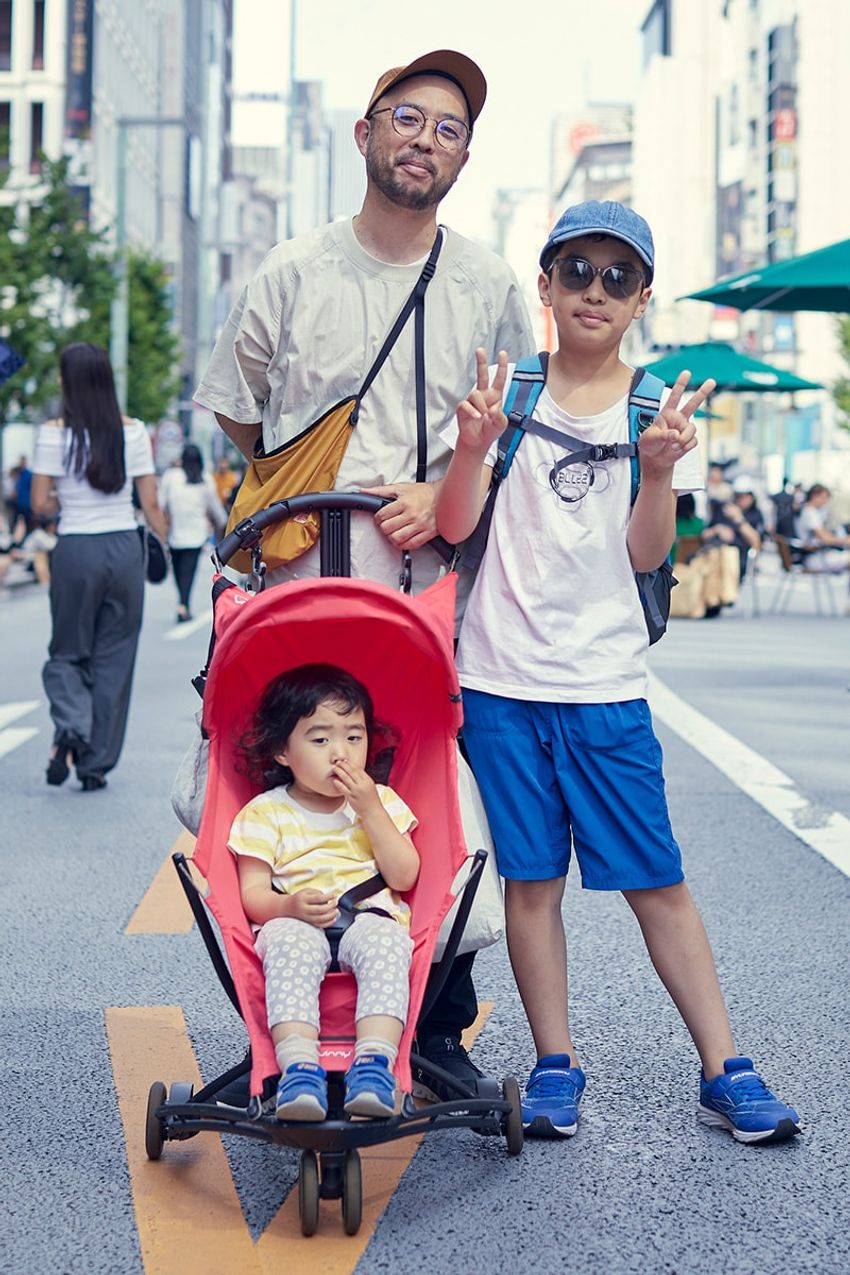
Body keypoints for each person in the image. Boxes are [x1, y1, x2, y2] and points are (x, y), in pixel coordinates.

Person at [194, 48, 534, 1095]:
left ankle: (429, 1017)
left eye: (446, 128)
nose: (423, 139)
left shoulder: (485, 283)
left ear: (464, 155)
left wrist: (440, 493)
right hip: (297, 585)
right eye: (405, 118)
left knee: (438, 785)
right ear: (366, 134)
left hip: (427, 586)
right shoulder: (291, 271)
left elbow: (511, 422)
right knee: (265, 772)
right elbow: (238, 415)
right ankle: (288, 996)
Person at [436, 200, 800, 1145]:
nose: (595, 291)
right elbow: (453, 526)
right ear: (546, 285)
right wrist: (472, 446)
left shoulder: (658, 410)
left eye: (618, 277)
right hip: (501, 684)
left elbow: (645, 558)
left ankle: (726, 1068)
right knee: (529, 882)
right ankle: (556, 1064)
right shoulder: (505, 392)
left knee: (657, 881)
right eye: (578, 272)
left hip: (605, 689)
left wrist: (658, 472)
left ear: (641, 298)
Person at [229, 664, 419, 1120]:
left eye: (354, 737)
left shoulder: (382, 801)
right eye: (320, 740)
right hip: (294, 920)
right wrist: (286, 906)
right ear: (282, 752)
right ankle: (298, 1070)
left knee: (389, 944)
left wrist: (370, 809)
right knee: (290, 946)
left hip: (369, 916)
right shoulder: (265, 813)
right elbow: (252, 892)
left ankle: (375, 1065)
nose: (341, 754)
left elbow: (405, 876)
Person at [31, 342, 167, 790]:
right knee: (114, 659)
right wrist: (162, 545)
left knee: (68, 652)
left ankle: (71, 721)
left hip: (75, 550)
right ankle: (94, 765)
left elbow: (38, 504)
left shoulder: (54, 433)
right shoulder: (133, 433)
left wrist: (60, 497)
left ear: (68, 382)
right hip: (124, 550)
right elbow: (149, 503)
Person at [159, 443, 227, 622]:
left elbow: (161, 504)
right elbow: (216, 510)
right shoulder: (205, 479)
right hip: (196, 535)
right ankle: (184, 604)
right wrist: (225, 524)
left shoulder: (171, 476)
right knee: (188, 571)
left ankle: (183, 603)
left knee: (179, 570)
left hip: (174, 534)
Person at [701, 474, 763, 581]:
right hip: (714, 557)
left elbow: (756, 542)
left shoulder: (755, 515)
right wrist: (718, 529)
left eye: (743, 496)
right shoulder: (723, 510)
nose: (739, 499)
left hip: (738, 561)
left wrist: (738, 519)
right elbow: (704, 535)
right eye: (737, 495)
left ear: (751, 497)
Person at [795, 483, 850, 592]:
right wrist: (845, 540)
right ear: (815, 495)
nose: (826, 502)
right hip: (813, 558)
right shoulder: (809, 513)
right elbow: (825, 539)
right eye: (824, 498)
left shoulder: (811, 512)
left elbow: (825, 536)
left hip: (816, 555)